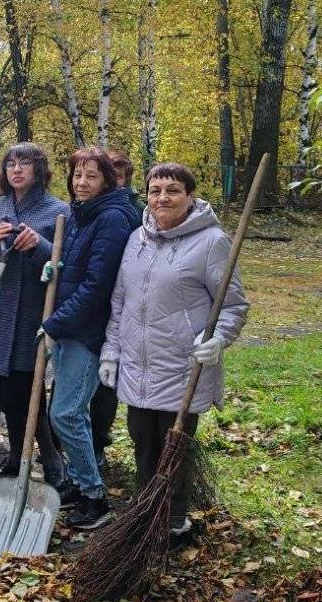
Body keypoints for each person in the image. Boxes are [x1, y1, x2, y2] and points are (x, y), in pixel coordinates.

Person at [100, 162, 249, 549]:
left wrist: (217, 338)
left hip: (182, 366)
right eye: (155, 190)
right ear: (146, 196)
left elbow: (232, 304)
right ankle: (146, 513)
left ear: (190, 196)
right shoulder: (137, 238)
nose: (162, 197)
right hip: (137, 363)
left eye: (172, 190)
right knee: (141, 441)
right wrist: (111, 352)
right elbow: (120, 300)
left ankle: (175, 523)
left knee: (174, 449)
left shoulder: (212, 242)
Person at [39, 147, 135, 530]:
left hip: (88, 332)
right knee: (61, 413)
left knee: (66, 413)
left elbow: (98, 287)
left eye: (91, 176)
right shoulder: (84, 212)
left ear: (108, 181)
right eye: (77, 174)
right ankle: (79, 484)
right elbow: (81, 267)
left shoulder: (111, 218)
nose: (81, 182)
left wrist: (55, 324)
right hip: (71, 328)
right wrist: (56, 268)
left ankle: (95, 498)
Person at [0, 143, 68, 479]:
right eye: (11, 163)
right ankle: (17, 460)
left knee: (28, 389)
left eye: (25, 163)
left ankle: (48, 461)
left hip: (34, 316)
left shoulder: (59, 212)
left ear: (39, 169)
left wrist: (41, 247)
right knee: (8, 394)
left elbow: (67, 264)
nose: (17, 169)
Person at [91, 150, 144, 469]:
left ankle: (98, 440)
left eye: (119, 177)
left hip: (118, 303)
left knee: (105, 379)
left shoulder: (131, 212)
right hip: (95, 303)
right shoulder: (92, 209)